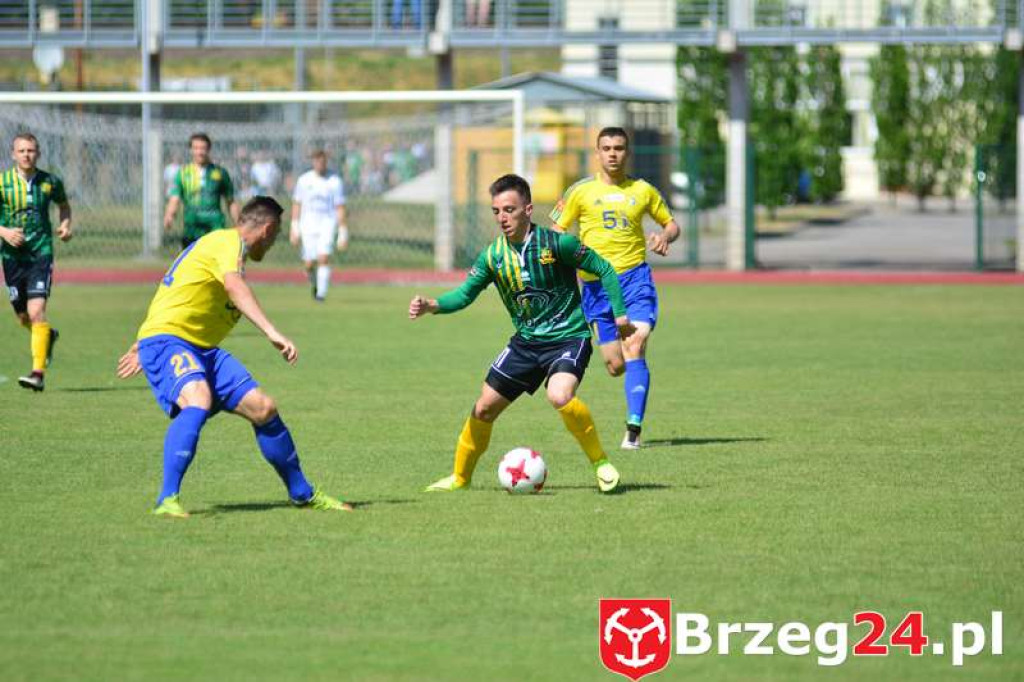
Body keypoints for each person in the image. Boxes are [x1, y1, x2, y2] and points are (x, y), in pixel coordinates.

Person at [116, 196, 352, 518]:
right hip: (172, 342)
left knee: (263, 408)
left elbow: (180, 290)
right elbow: (233, 287)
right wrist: (272, 331)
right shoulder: (227, 243)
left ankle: (302, 493)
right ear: (268, 229)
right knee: (197, 398)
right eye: (276, 234)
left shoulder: (226, 250)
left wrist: (143, 339)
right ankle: (167, 499)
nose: (272, 244)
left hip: (196, 346)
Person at [410, 174, 632, 494]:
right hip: (526, 343)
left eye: (509, 210)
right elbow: (465, 294)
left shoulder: (558, 244)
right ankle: (460, 478)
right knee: (483, 408)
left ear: (528, 210)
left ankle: (601, 464)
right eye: (497, 211)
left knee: (559, 395)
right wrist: (433, 305)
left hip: (568, 338)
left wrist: (620, 314)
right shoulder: (493, 256)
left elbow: (605, 269)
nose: (502, 217)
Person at [550, 127, 681, 451]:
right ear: (597, 152)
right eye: (606, 147)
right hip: (595, 288)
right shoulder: (579, 191)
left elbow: (671, 223)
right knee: (615, 364)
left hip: (634, 281)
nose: (612, 153)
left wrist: (666, 236)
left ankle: (633, 429)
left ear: (627, 152)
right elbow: (556, 228)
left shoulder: (643, 190)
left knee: (634, 344)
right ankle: (630, 370)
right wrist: (564, 253)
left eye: (619, 148)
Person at [0, 132, 72, 392]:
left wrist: (65, 225)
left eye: (31, 150)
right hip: (11, 258)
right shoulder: (2, 182)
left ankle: (37, 373)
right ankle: (47, 336)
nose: (26, 155)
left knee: (36, 312)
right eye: (21, 151)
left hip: (40, 254)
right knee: (22, 317)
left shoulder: (50, 182)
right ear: (13, 154)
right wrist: (5, 232)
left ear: (38, 153)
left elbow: (64, 206)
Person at [163, 133, 240, 250]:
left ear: (209, 150)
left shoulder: (220, 173)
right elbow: (175, 198)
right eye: (196, 148)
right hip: (192, 227)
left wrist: (239, 222)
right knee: (190, 263)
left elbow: (230, 200)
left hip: (215, 226)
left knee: (215, 262)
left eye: (203, 148)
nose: (200, 152)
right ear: (191, 150)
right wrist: (169, 215)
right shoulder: (183, 173)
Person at [289, 150, 348, 302]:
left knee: (323, 257)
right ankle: (315, 283)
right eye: (317, 160)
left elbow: (339, 207)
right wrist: (294, 228)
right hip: (307, 224)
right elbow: (297, 204)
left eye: (322, 161)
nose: (320, 164)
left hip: (327, 223)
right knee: (309, 263)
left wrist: (342, 232)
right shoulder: (304, 180)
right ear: (313, 161)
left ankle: (321, 294)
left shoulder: (334, 181)